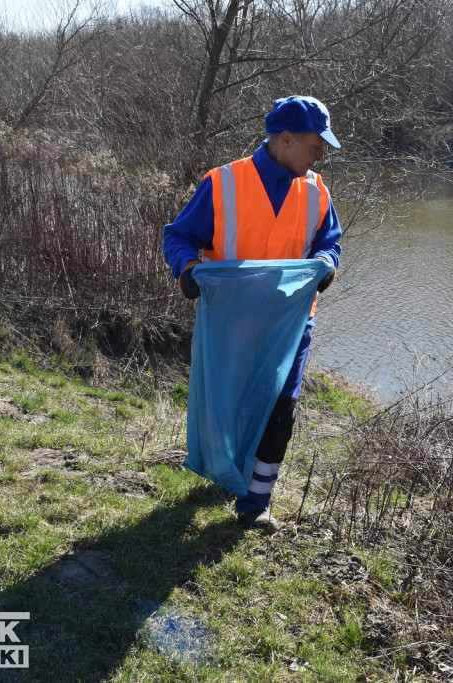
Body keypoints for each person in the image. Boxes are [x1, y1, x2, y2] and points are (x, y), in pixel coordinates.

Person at [162, 95, 343, 533]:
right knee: (233, 401)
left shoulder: (316, 190)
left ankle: (256, 501)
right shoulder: (223, 183)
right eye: (316, 145)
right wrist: (186, 269)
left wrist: (327, 265)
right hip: (232, 323)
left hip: (292, 325)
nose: (322, 155)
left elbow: (329, 242)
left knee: (282, 408)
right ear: (285, 139)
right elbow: (178, 235)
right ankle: (226, 472)